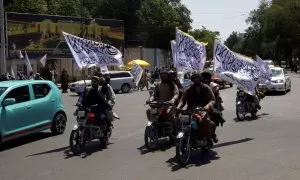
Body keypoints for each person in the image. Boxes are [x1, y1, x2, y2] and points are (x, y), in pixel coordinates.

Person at [176, 73, 218, 143]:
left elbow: (212, 100)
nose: (196, 79)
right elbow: (182, 100)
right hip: (191, 109)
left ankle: (208, 136)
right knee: (180, 120)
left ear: (200, 79)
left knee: (203, 120)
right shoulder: (188, 89)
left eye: (198, 78)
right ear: (192, 79)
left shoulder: (206, 87)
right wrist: (179, 106)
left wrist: (208, 106)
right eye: (195, 78)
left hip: (203, 109)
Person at [152, 70, 179, 134]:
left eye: (165, 75)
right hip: (159, 104)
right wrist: (150, 99)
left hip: (169, 105)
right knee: (150, 112)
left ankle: (175, 131)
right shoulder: (158, 84)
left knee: (169, 114)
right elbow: (154, 94)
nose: (163, 77)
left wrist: (172, 100)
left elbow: (176, 93)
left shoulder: (172, 84)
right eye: (162, 75)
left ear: (167, 76)